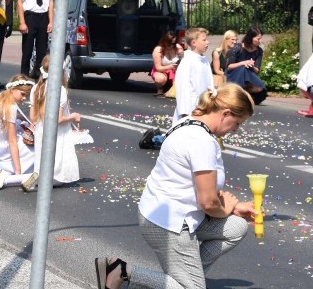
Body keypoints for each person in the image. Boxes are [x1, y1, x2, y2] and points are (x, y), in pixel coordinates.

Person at [95, 84, 257, 289]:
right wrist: (226, 209)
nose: (235, 129)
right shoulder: (202, 142)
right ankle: (121, 270)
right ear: (225, 113)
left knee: (236, 227)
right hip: (169, 224)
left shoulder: (188, 122)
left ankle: (184, 275)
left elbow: (189, 183)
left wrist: (233, 208)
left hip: (167, 213)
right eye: (237, 123)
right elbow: (207, 202)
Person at [0, 75, 36, 190]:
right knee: (33, 149)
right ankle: (11, 175)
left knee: (20, 126)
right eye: (22, 94)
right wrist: (18, 172)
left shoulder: (0, 98)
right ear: (13, 90)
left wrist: (22, 119)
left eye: (26, 96)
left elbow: (9, 119)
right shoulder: (10, 107)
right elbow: (12, 141)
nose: (24, 98)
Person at [29, 55, 80, 188]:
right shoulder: (59, 90)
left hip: (41, 130)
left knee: (42, 162)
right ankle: (43, 178)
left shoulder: (36, 88)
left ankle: (36, 176)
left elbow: (32, 118)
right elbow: (58, 119)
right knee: (56, 172)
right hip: (56, 133)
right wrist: (73, 116)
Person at [13, 0, 55, 79]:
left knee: (42, 51)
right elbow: (19, 2)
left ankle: (38, 75)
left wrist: (51, 21)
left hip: (43, 17)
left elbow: (51, 2)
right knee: (27, 50)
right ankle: (23, 77)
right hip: (30, 17)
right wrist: (22, 22)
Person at [173, 28, 214, 123]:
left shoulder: (204, 60)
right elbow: (183, 86)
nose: (207, 42)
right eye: (204, 40)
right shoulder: (187, 60)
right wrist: (185, 112)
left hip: (203, 104)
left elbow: (209, 82)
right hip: (190, 106)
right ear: (194, 43)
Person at [224, 27, 268, 105]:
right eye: (258, 39)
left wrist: (251, 66)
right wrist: (244, 62)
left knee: (247, 72)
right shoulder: (238, 47)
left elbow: (257, 70)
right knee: (243, 69)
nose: (260, 41)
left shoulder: (259, 51)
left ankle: (246, 95)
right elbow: (229, 66)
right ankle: (238, 94)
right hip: (234, 74)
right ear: (251, 38)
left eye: (261, 38)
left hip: (249, 74)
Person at [151, 31, 182, 96]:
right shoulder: (158, 50)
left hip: (175, 71)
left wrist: (181, 54)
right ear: (164, 42)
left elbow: (183, 61)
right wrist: (170, 67)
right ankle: (160, 88)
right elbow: (158, 68)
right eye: (169, 44)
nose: (171, 46)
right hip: (161, 71)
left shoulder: (178, 48)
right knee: (160, 79)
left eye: (173, 44)